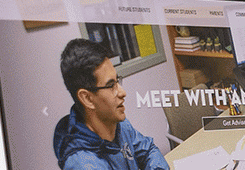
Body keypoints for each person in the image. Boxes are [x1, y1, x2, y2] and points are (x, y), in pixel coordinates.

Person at [53, 38, 171, 170]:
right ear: (87, 98)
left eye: (117, 81)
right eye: (110, 85)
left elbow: (148, 150)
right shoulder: (84, 164)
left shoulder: (117, 123)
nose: (122, 92)